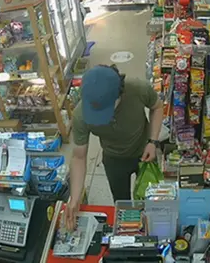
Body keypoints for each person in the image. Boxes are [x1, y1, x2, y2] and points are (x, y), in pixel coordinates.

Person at [65, 64, 163, 230]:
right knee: (122, 205)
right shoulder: (80, 115)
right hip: (113, 159)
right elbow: (79, 156)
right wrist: (74, 199)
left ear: (120, 94)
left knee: (152, 203)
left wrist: (153, 142)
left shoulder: (137, 89)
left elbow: (157, 107)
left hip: (145, 154)